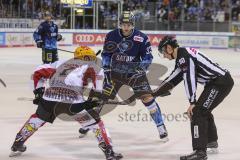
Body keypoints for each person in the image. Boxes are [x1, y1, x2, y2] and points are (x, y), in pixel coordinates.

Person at [9, 46, 123, 160]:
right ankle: (109, 151)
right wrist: (95, 99)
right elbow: (98, 84)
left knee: (38, 118)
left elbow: (38, 72)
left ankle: (18, 143)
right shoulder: (94, 66)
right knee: (95, 124)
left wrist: (38, 93)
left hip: (49, 100)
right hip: (73, 105)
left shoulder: (59, 63)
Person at [90, 11, 168, 141]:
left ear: (133, 24)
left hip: (135, 74)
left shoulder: (141, 37)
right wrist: (107, 69)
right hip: (115, 73)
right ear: (120, 24)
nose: (126, 27)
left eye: (129, 24)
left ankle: (161, 127)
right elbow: (106, 54)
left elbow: (148, 56)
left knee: (147, 99)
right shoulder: (111, 35)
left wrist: (141, 68)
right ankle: (89, 124)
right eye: (123, 24)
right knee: (101, 98)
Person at [157, 35, 234, 160]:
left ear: (169, 48)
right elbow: (173, 78)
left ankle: (200, 152)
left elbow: (189, 78)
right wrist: (155, 92)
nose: (164, 56)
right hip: (217, 82)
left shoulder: (184, 56)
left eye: (163, 52)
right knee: (203, 109)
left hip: (220, 82)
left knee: (197, 111)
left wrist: (192, 101)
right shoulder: (181, 56)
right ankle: (210, 141)